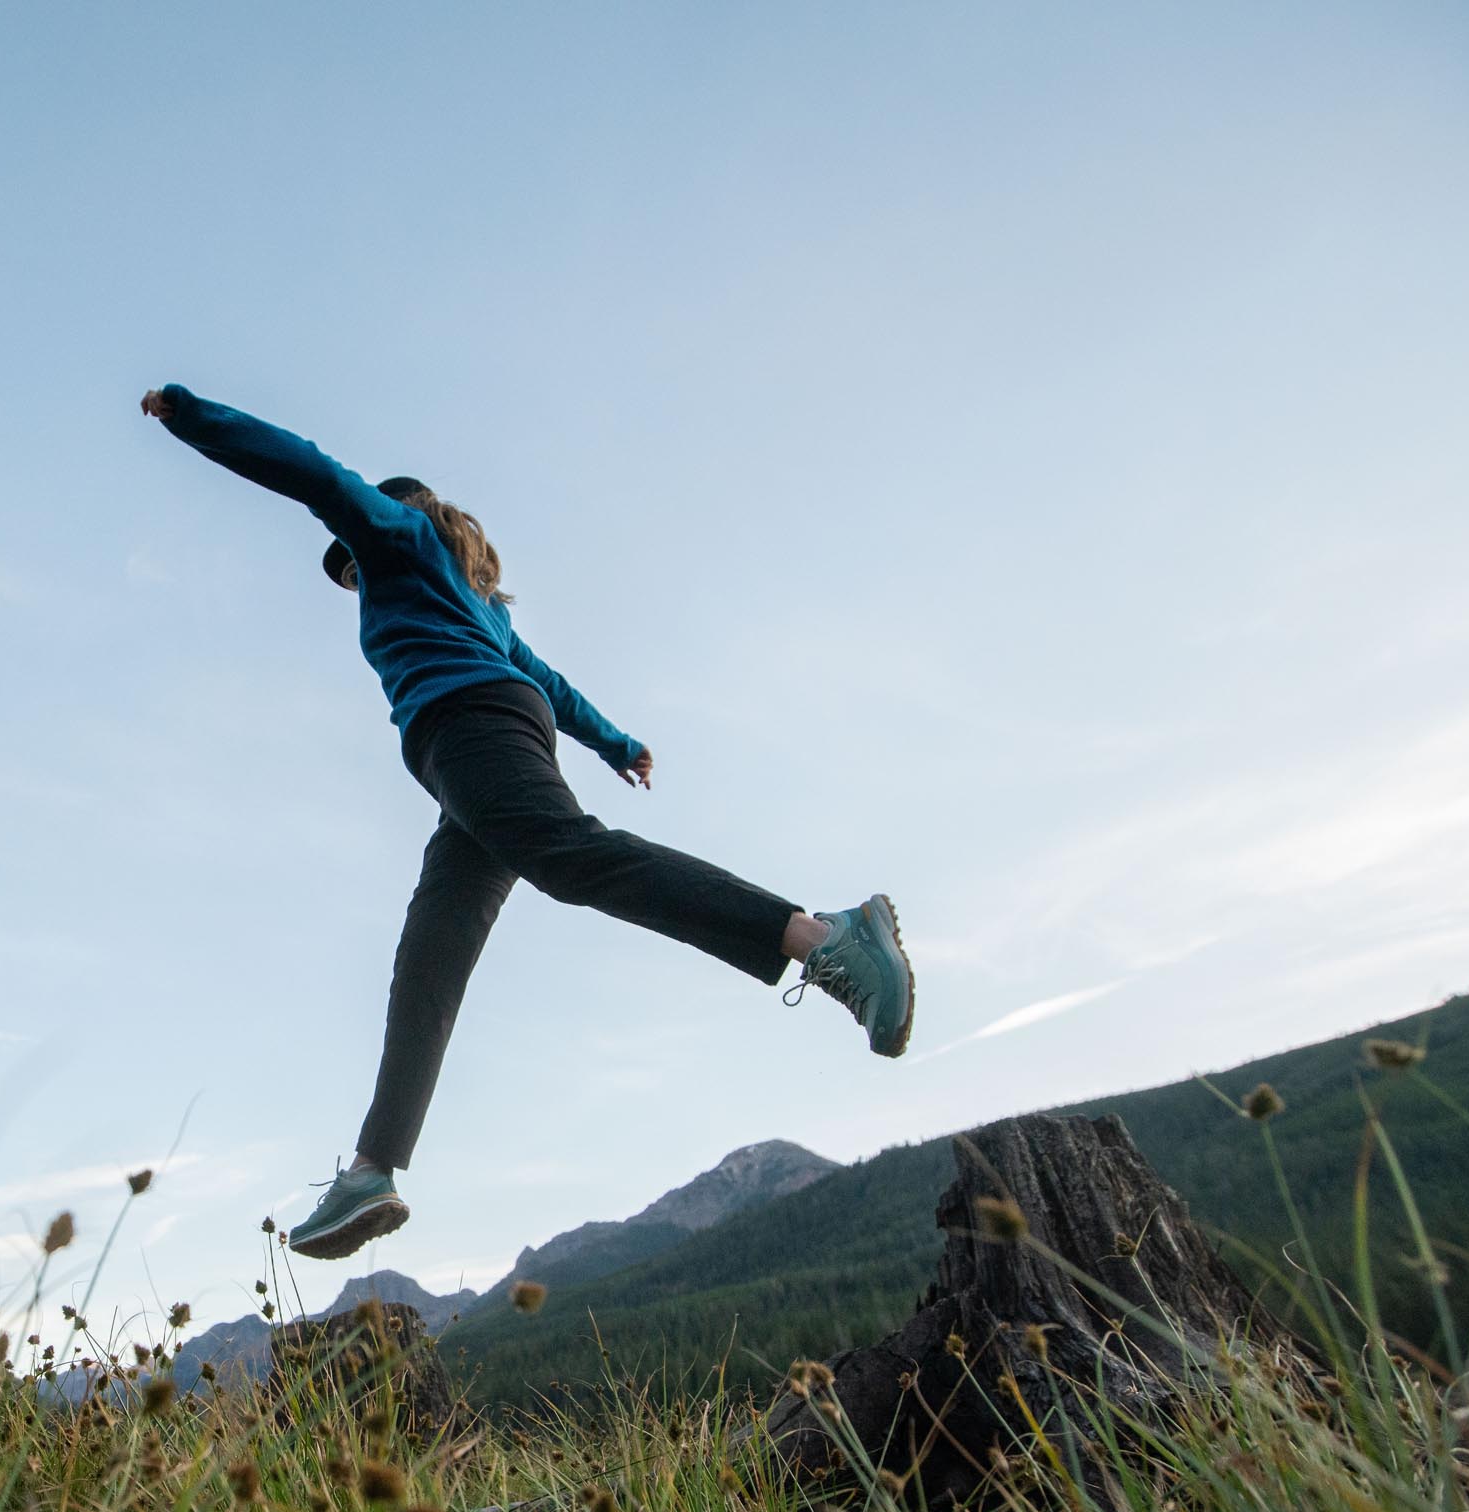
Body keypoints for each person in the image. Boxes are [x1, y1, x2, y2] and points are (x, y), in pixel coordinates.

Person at [143, 384, 914, 1259]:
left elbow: (312, 472)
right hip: (475, 756)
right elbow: (548, 683)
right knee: (430, 954)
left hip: (468, 734)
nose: (348, 574)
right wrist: (616, 741)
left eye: (346, 559)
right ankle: (372, 1169)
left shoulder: (397, 537)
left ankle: (826, 936)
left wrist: (190, 415)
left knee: (574, 860)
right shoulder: (480, 604)